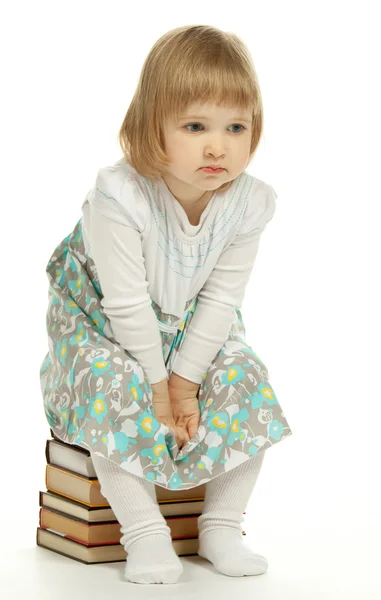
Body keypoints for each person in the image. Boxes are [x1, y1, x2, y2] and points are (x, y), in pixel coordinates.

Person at [39, 24, 292, 585]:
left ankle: (222, 524)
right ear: (152, 128)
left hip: (192, 330)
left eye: (236, 127)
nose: (217, 146)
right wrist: (158, 389)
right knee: (115, 386)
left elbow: (223, 296)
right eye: (195, 126)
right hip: (103, 327)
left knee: (245, 375)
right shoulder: (119, 195)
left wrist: (186, 382)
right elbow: (124, 303)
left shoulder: (250, 202)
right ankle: (145, 532)